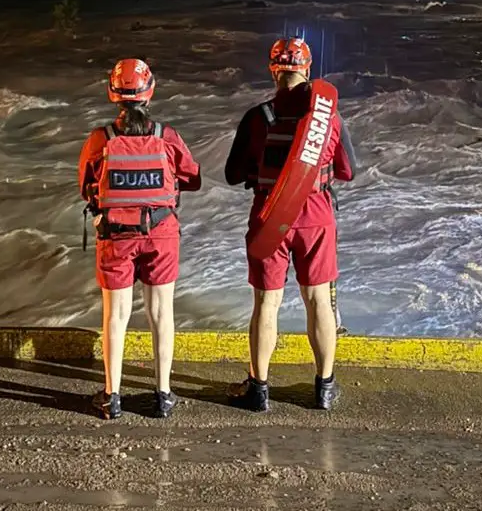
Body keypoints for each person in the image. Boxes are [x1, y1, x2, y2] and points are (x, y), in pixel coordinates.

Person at [223, 36, 357, 412]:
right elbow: (348, 171)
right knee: (319, 301)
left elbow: (233, 174)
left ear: (273, 71)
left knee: (267, 303)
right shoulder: (329, 119)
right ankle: (324, 388)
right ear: (307, 70)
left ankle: (259, 389)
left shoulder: (257, 118)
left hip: (270, 218)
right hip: (316, 217)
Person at [78, 58, 202, 419]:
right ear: (150, 92)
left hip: (115, 236)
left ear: (113, 94)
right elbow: (193, 178)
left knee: (115, 315)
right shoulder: (167, 137)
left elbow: (86, 186)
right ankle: (162, 395)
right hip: (161, 234)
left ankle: (111, 397)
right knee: (161, 313)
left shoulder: (100, 139)